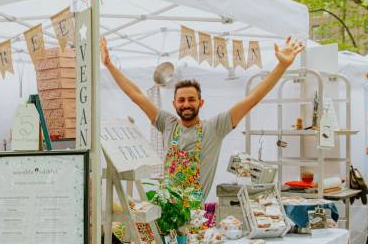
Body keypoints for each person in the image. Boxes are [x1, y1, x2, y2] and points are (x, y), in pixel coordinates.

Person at [101, 36, 305, 199]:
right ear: (174, 105)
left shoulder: (216, 127)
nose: (186, 104)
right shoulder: (167, 123)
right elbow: (136, 95)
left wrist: (282, 66)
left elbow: (253, 98)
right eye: (181, 100)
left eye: (191, 99)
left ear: (201, 102)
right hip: (166, 209)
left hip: (193, 217)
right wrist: (109, 65)